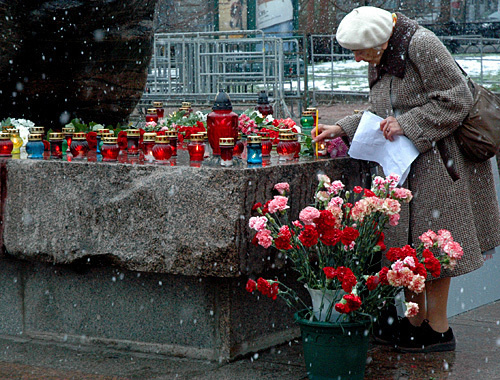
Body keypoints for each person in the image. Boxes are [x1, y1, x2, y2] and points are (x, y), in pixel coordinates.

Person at [313, 6, 500, 353]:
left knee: (435, 246)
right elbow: (382, 108)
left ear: (381, 41)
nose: (356, 60)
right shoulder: (381, 52)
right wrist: (344, 127)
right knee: (410, 246)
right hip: (409, 161)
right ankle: (415, 323)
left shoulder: (422, 44)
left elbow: (456, 98)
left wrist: (408, 124)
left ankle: (439, 330)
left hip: (440, 161)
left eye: (359, 52)